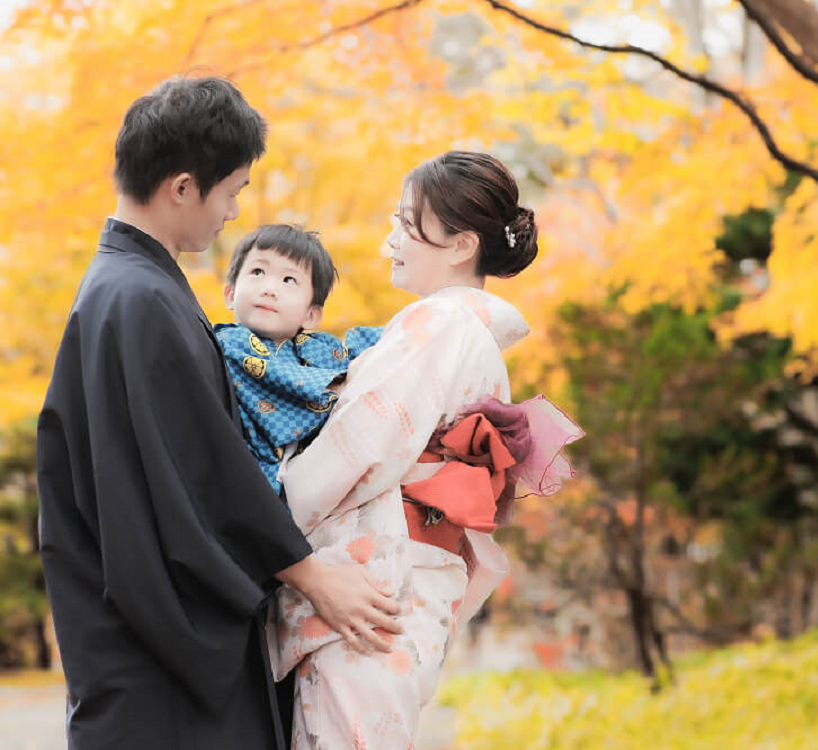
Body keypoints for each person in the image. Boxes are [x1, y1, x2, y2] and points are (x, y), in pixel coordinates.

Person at [36, 76, 400, 750]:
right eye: (230, 192)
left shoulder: (126, 288)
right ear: (181, 187)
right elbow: (205, 470)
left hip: (136, 642)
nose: (233, 213)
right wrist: (314, 577)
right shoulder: (139, 300)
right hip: (159, 663)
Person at [270, 151, 583, 748]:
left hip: (374, 586)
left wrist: (262, 524)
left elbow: (357, 449)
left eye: (405, 224)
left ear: (461, 244)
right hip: (412, 580)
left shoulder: (438, 325)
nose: (390, 239)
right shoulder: (473, 337)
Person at [214, 223, 383, 493]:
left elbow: (359, 349)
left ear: (311, 315)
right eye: (258, 272)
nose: (269, 288)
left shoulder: (313, 347)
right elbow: (277, 378)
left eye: (288, 280)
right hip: (250, 481)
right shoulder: (227, 342)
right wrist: (343, 384)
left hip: (312, 487)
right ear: (231, 294)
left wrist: (411, 329)